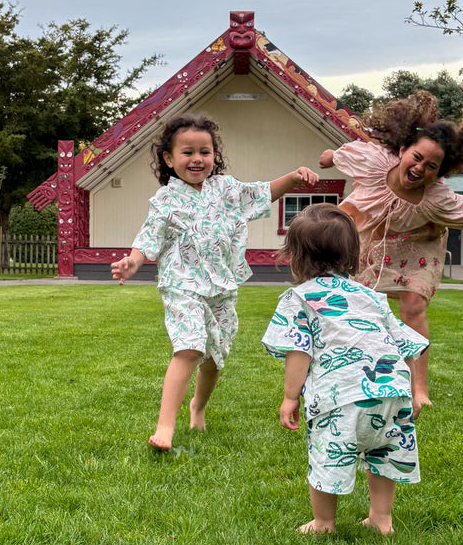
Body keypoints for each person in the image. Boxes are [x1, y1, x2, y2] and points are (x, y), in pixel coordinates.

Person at [111, 113, 319, 451]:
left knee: (213, 357)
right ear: (168, 158)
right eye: (187, 152)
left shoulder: (226, 189)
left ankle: (199, 406)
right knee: (189, 347)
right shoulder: (165, 200)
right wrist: (132, 262)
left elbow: (262, 193)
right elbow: (147, 238)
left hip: (222, 288)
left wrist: (294, 178)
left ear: (213, 155)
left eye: (204, 152)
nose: (197, 159)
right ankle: (165, 429)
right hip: (183, 285)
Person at [319, 91, 463, 406]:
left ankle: (419, 387)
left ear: (439, 173)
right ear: (403, 150)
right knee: (355, 305)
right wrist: (327, 158)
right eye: (416, 158)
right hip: (370, 239)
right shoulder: (375, 161)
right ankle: (353, 371)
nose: (420, 168)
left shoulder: (436, 197)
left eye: (431, 166)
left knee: (413, 305)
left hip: (417, 245)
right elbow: (340, 156)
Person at [262, 203, 429, 535]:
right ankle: (381, 520)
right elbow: (405, 344)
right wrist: (414, 391)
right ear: (353, 257)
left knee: (329, 453)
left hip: (342, 396)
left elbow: (299, 351)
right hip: (392, 391)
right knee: (383, 452)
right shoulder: (372, 297)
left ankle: (324, 523)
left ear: (296, 258)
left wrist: (289, 397)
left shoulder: (298, 299)